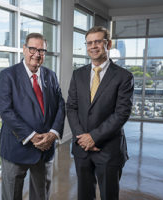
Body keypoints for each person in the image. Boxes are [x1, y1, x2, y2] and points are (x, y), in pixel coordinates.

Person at [66, 26, 134, 200]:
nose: (93, 46)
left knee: (109, 196)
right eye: (89, 43)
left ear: (108, 44)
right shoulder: (78, 75)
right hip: (82, 148)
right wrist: (82, 137)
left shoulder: (124, 77)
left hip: (108, 150)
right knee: (84, 195)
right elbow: (71, 107)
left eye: (98, 41)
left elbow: (121, 113)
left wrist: (94, 137)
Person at [0, 33, 65, 200]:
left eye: (41, 50)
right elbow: (6, 111)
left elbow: (60, 105)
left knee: (41, 195)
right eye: (33, 49)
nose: (37, 54)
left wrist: (53, 133)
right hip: (17, 147)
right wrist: (32, 136)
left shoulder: (51, 75)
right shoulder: (8, 75)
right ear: (24, 49)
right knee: (12, 195)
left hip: (45, 148)